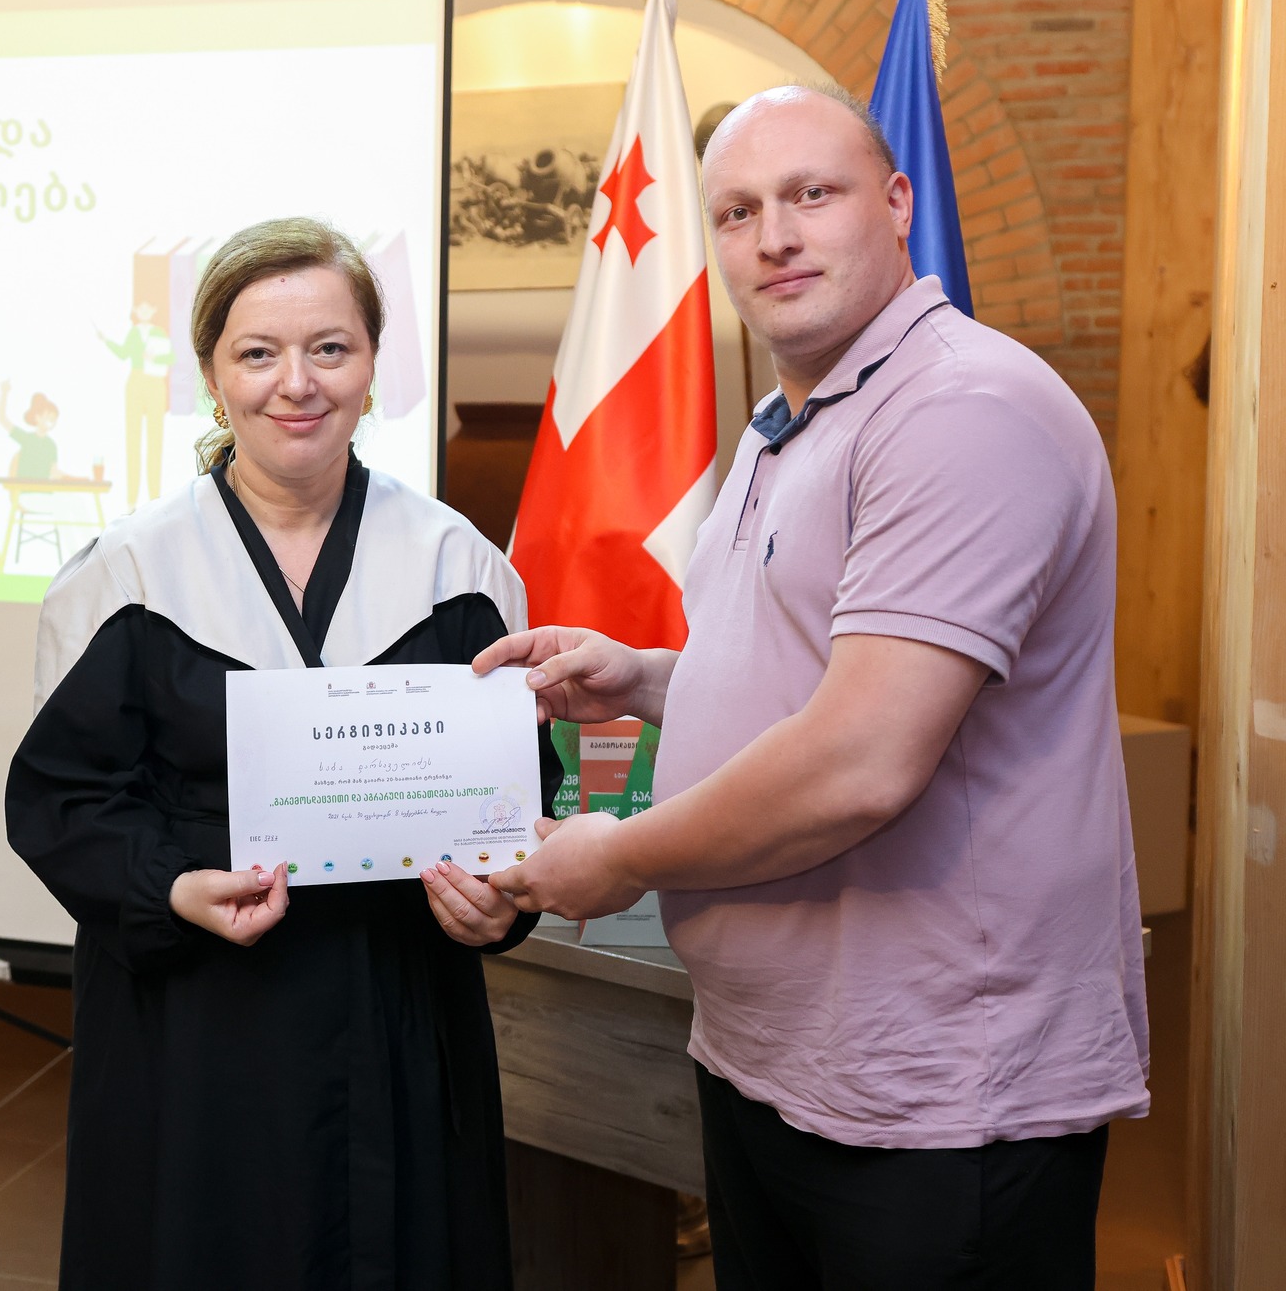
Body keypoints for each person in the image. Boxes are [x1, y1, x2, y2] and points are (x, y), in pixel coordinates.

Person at [478, 85, 1148, 1289]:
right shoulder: (786, 420)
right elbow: (811, 677)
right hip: (779, 1065)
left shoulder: (957, 411)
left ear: (894, 205)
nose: (772, 237)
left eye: (809, 195)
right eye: (736, 212)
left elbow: (858, 761)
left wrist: (616, 857)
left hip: (933, 1097)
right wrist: (646, 677)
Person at [5, 217, 559, 1291]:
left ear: (371, 366)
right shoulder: (126, 576)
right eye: (258, 353)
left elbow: (514, 804)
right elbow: (63, 801)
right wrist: (169, 888)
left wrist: (503, 904)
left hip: (400, 1013)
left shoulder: (458, 570)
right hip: (196, 1027)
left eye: (329, 349)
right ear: (213, 376)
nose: (295, 383)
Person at [96, 300, 172, 507]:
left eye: (148, 308)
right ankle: (131, 501)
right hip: (136, 381)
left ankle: (155, 498)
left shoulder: (159, 332)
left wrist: (154, 358)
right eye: (140, 308)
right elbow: (123, 354)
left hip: (155, 383)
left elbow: (170, 357)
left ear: (153, 310)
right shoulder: (134, 333)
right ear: (136, 311)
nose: (144, 312)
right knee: (133, 440)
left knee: (155, 440)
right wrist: (106, 341)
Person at [0, 383, 77, 482]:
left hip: (43, 489)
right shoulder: (27, 439)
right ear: (37, 417)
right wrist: (4, 393)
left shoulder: (51, 445)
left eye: (54, 419)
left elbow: (54, 472)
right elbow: (3, 419)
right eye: (49, 418)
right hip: (25, 488)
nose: (51, 422)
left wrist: (73, 478)